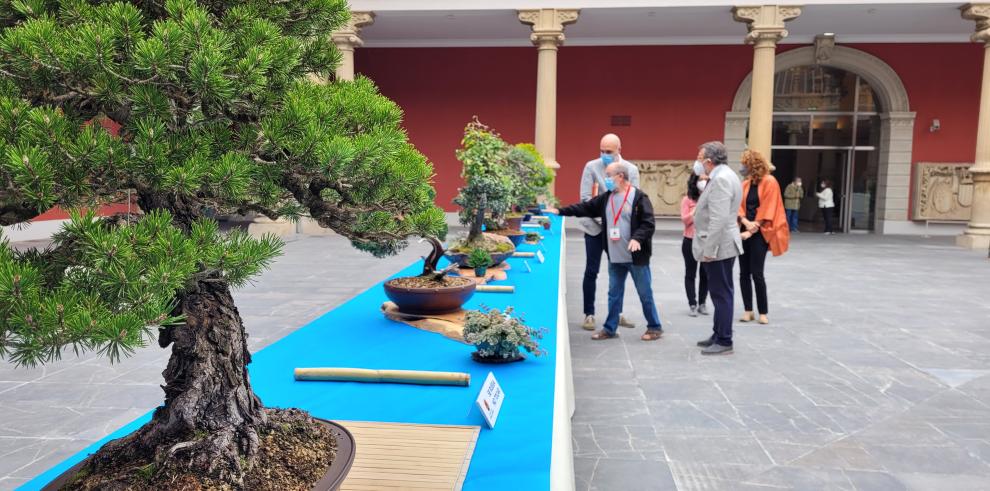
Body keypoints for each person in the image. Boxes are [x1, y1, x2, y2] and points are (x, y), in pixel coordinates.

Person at [548, 162, 663, 341]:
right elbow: (584, 208)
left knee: (645, 293)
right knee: (614, 294)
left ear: (621, 176)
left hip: (636, 258)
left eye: (609, 175)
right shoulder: (606, 197)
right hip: (615, 257)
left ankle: (655, 327)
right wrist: (559, 211)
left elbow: (648, 224)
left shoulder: (639, 198)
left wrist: (637, 238)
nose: (606, 179)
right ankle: (610, 329)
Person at [578, 134, 640, 330]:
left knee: (619, 271)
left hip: (619, 229)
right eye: (602, 151)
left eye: (609, 152)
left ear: (619, 150)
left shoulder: (631, 170)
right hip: (595, 228)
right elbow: (586, 198)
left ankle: (617, 312)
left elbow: (633, 199)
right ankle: (589, 314)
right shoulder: (591, 166)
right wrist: (603, 219)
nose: (604, 155)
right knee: (591, 270)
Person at [692, 142, 743, 355]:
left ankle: (724, 340)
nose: (697, 161)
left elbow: (718, 219)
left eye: (699, 157)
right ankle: (718, 332)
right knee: (720, 292)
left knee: (721, 294)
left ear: (709, 161)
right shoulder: (725, 175)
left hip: (719, 245)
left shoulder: (721, 179)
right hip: (723, 243)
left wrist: (709, 250)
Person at [737, 149, 790, 325]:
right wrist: (745, 221)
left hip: (760, 232)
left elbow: (769, 207)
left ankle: (763, 312)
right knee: (743, 273)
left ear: (752, 164)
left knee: (757, 273)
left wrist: (753, 227)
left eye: (744, 163)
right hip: (744, 230)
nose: (742, 166)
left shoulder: (770, 181)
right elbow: (738, 206)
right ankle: (748, 310)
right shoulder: (745, 184)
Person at [680, 173, 709, 317]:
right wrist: (695, 210)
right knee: (690, 273)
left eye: (706, 179)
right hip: (690, 240)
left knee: (706, 273)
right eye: (700, 179)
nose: (703, 182)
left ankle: (702, 303)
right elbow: (685, 220)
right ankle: (692, 303)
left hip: (706, 240)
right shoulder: (687, 199)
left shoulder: (712, 199)